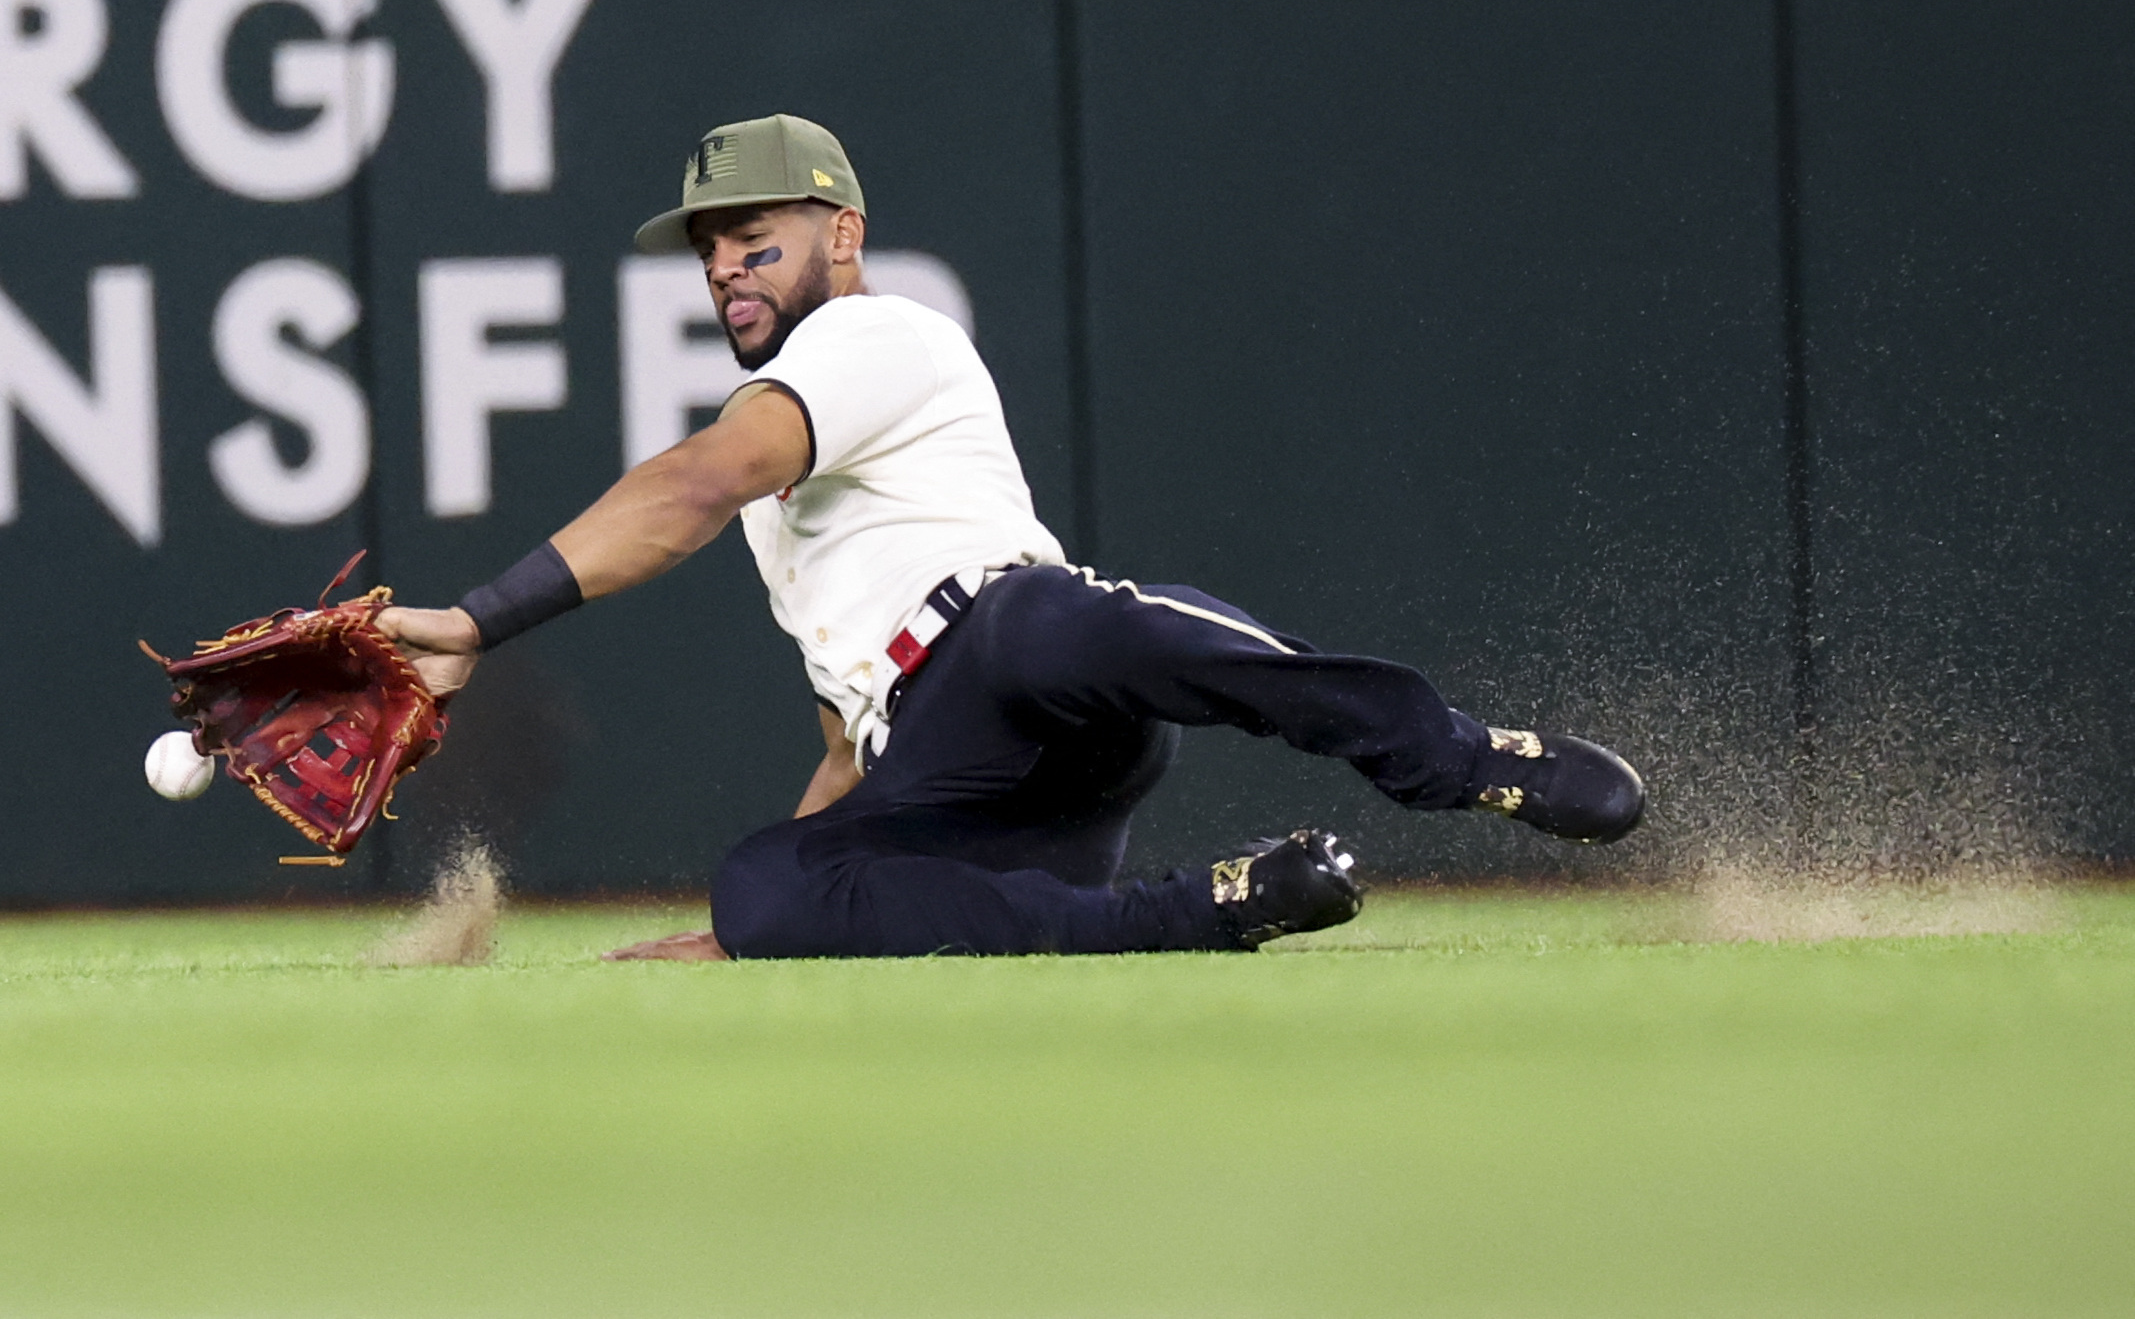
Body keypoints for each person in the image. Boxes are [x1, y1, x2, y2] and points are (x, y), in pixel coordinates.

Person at [376, 114, 1645, 961]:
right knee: (761, 884)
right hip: (966, 774)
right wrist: (778, 918)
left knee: (1065, 621)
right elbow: (845, 734)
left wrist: (479, 618)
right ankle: (1209, 909)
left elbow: (695, 483)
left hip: (1021, 654)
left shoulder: (875, 335)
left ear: (844, 237)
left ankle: (1455, 754)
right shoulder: (786, 510)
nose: (725, 269)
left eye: (754, 238)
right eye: (710, 252)